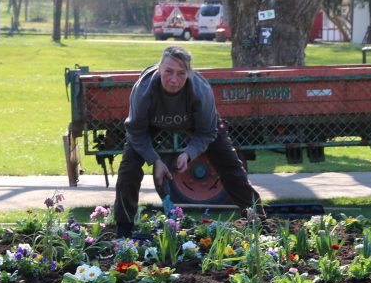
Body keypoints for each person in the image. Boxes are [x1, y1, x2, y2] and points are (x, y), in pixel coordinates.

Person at [112, 46, 263, 237]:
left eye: (181, 73)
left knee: (231, 166)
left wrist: (189, 153)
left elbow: (208, 131)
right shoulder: (143, 90)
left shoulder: (200, 90)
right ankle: (123, 230)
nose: (174, 80)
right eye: (168, 72)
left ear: (189, 73)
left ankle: (258, 220)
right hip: (150, 123)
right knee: (128, 169)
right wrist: (155, 160)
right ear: (159, 70)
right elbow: (135, 131)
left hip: (195, 122)